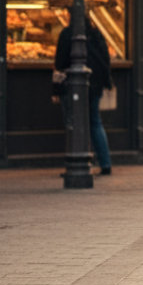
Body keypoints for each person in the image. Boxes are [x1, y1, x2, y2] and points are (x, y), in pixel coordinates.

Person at [54, 13, 113, 175]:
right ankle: (105, 162)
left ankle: (76, 160)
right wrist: (107, 81)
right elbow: (105, 59)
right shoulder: (96, 33)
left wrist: (56, 88)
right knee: (95, 121)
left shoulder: (68, 34)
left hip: (73, 85)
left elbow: (59, 62)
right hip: (96, 84)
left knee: (73, 121)